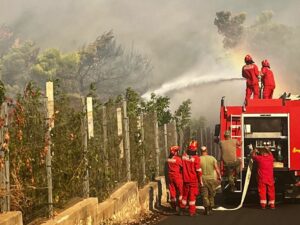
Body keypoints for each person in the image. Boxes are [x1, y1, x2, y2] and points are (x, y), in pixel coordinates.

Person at [180, 140, 202, 216]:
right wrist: (200, 181)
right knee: (192, 195)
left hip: (185, 179)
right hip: (193, 180)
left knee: (185, 195)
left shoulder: (183, 156)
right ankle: (192, 212)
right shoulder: (196, 158)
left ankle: (181, 209)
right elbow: (198, 171)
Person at [200, 145, 222, 215]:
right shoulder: (212, 158)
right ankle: (211, 207)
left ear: (201, 152)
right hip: (211, 179)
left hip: (203, 179)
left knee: (205, 195)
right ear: (206, 151)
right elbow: (216, 168)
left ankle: (206, 209)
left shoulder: (199, 159)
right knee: (211, 194)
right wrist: (219, 176)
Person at [166, 145, 183, 210]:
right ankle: (180, 205)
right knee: (180, 191)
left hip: (170, 176)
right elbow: (182, 167)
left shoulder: (168, 160)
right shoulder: (178, 159)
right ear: (176, 152)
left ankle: (173, 205)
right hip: (177, 176)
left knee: (172, 191)